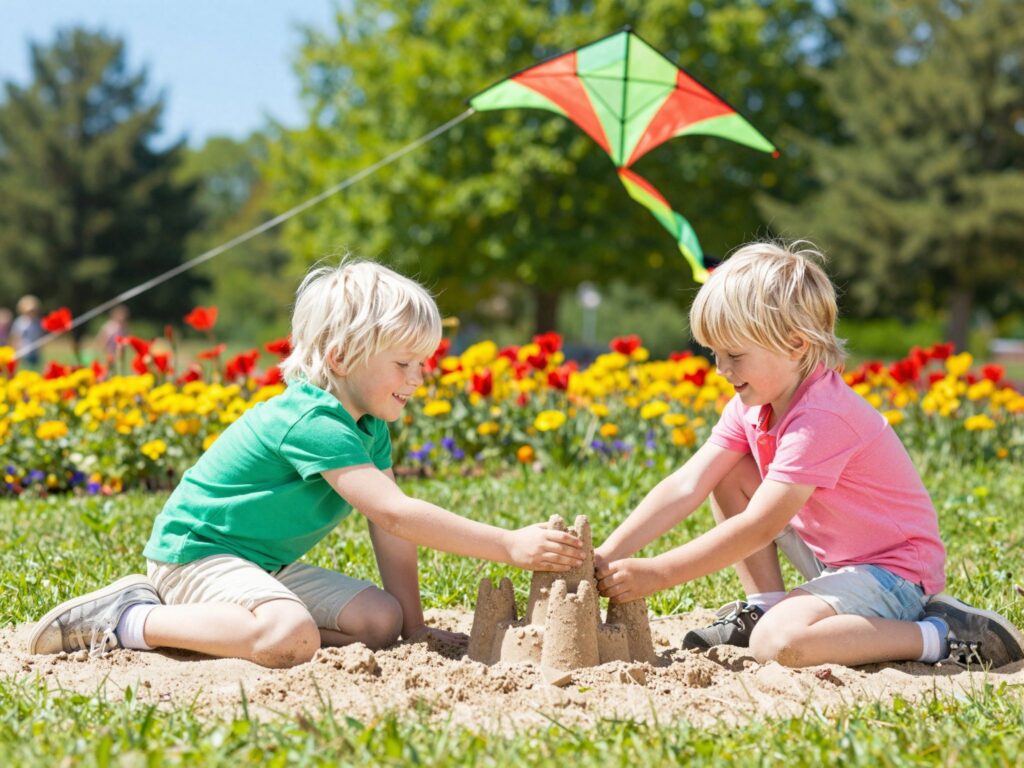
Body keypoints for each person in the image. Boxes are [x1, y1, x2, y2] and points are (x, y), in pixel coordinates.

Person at [28, 260, 584, 668]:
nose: (419, 379)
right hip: (195, 557)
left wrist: (413, 627)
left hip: (261, 563)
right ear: (340, 357)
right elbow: (395, 514)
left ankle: (248, 621)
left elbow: (389, 536)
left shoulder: (369, 426)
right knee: (289, 635)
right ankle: (126, 619)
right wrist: (508, 545)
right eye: (404, 362)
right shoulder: (310, 419)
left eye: (424, 363)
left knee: (381, 621)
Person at [595, 241, 1024, 669]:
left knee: (779, 643)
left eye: (735, 354)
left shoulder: (820, 416)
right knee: (729, 472)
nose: (721, 369)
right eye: (715, 353)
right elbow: (688, 484)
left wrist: (659, 574)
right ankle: (764, 603)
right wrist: (608, 554)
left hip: (894, 573)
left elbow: (760, 526)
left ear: (795, 344)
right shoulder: (751, 406)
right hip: (837, 559)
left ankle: (942, 635)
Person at [11, 294, 44, 369]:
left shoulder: (38, 322)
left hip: (35, 352)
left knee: (34, 369)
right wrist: (15, 350)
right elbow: (15, 337)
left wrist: (40, 350)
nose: (31, 313)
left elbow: (40, 336)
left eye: (33, 311)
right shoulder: (20, 322)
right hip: (23, 352)